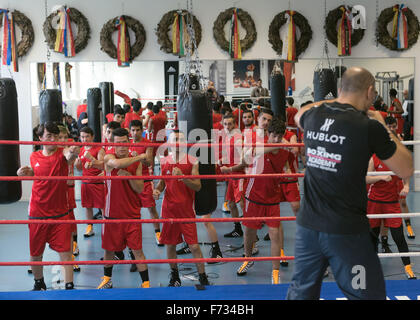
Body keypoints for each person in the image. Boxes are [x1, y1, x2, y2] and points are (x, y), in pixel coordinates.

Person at [286, 67, 413, 300]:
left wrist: (339, 97)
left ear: (341, 89)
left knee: (301, 294)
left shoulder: (313, 116)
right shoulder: (368, 126)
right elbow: (406, 168)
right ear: (370, 91)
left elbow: (298, 115)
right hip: (346, 233)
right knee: (366, 294)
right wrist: (382, 124)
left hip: (308, 229)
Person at [17, 122, 80, 291]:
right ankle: (39, 283)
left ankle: (69, 287)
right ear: (40, 138)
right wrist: (24, 172)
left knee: (65, 253)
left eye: (55, 136)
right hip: (38, 213)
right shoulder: (34, 156)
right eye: (48, 136)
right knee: (36, 253)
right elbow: (35, 173)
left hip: (60, 214)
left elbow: (70, 155)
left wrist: (73, 151)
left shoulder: (62, 153)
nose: (53, 139)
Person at [153, 130, 210, 287]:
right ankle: (174, 276)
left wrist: (183, 177)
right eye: (175, 139)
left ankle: (203, 276)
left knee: (194, 246)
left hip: (185, 210)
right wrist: (157, 190)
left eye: (180, 139)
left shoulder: (192, 160)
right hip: (169, 209)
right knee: (170, 244)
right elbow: (162, 183)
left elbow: (198, 186)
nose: (178, 142)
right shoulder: (164, 160)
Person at [237, 117, 291, 284]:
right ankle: (248, 258)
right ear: (268, 134)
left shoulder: (285, 150)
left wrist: (288, 173)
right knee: (249, 232)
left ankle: (275, 271)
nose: (276, 140)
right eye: (274, 136)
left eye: (279, 137)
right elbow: (248, 156)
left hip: (272, 198)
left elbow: (287, 167)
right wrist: (276, 145)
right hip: (254, 196)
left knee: (275, 234)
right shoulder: (260, 145)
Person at [97, 128, 150, 289]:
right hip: (111, 215)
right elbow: (116, 164)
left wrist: (129, 176)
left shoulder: (135, 163)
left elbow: (140, 188)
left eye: (124, 143)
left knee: (138, 251)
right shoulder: (108, 157)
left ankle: (146, 283)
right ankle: (107, 280)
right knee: (109, 251)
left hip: (132, 215)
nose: (122, 147)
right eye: (118, 144)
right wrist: (141, 156)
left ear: (129, 142)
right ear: (113, 144)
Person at [366, 152, 416, 280]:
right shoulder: (374, 158)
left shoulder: (397, 158)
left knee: (398, 236)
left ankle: (408, 266)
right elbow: (366, 178)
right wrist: (380, 177)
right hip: (374, 202)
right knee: (372, 235)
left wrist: (406, 185)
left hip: (392, 203)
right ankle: (371, 265)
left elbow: (406, 172)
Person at [128, 120, 162, 247]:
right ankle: (133, 235)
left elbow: (149, 163)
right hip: (131, 181)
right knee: (131, 210)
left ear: (142, 131)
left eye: (137, 130)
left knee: (151, 208)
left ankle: (158, 232)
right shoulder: (127, 143)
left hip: (145, 181)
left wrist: (139, 157)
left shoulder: (147, 143)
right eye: (133, 130)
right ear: (130, 131)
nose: (135, 133)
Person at [384, 116, 415, 239]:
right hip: (385, 175)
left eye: (393, 126)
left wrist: (406, 184)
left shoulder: (400, 141)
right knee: (384, 203)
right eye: (389, 126)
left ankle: (408, 225)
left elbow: (405, 163)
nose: (391, 129)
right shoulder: (380, 139)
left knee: (402, 202)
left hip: (398, 174)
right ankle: (384, 236)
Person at [74, 126, 105, 238]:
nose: (85, 139)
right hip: (85, 183)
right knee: (88, 206)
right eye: (82, 137)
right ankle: (89, 227)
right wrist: (77, 164)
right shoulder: (81, 150)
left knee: (102, 206)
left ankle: (107, 227)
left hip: (98, 182)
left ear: (92, 136)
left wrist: (92, 160)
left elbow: (103, 165)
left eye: (87, 136)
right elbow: (79, 169)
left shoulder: (99, 149)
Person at [57, 125, 80, 272]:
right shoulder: (49, 152)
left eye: (65, 137)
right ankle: (36, 260)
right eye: (60, 137)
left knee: (69, 221)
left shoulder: (68, 151)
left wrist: (74, 156)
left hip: (68, 191)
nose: (63, 140)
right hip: (53, 193)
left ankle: (71, 254)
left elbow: (71, 160)